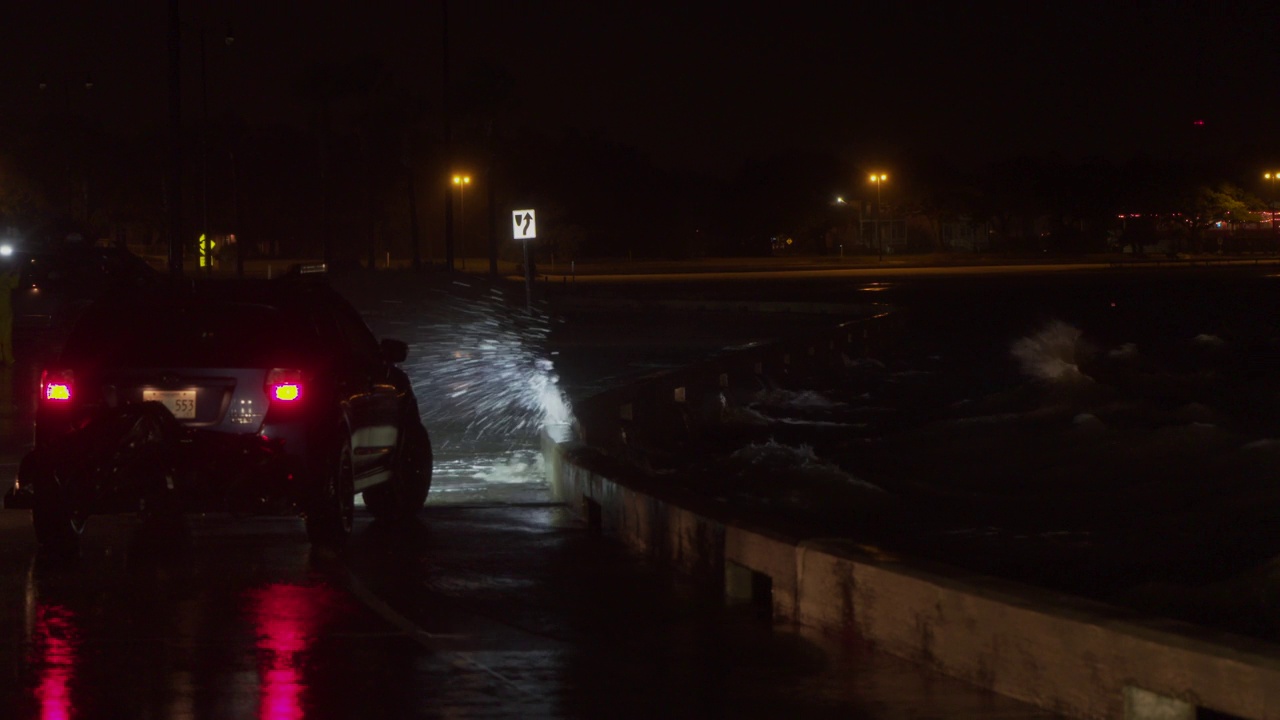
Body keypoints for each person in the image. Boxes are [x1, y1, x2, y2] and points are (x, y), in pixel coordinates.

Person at [0, 255, 18, 364]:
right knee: (6, 335)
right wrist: (16, 272)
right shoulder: (6, 277)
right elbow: (14, 284)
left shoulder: (5, 276)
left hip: (4, 309)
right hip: (5, 310)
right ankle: (8, 359)